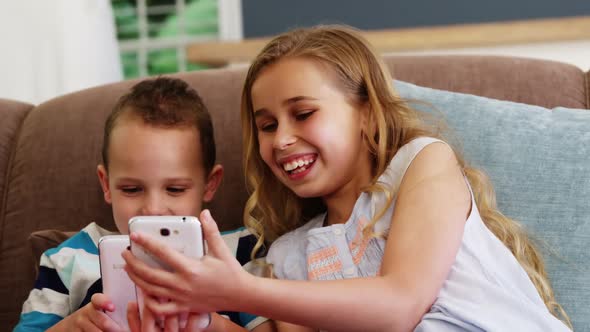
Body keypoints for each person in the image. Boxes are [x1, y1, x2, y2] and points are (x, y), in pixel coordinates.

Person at [122, 26, 572, 331]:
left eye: (303, 114)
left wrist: (244, 291)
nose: (281, 139)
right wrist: (199, 317)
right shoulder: (289, 257)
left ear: (365, 112)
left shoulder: (421, 166)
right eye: (267, 125)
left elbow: (399, 304)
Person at [14, 77, 273, 332]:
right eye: (132, 189)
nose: (153, 209)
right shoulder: (67, 260)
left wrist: (209, 325)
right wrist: (71, 327)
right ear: (106, 185)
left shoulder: (242, 253)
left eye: (175, 189)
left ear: (210, 184)